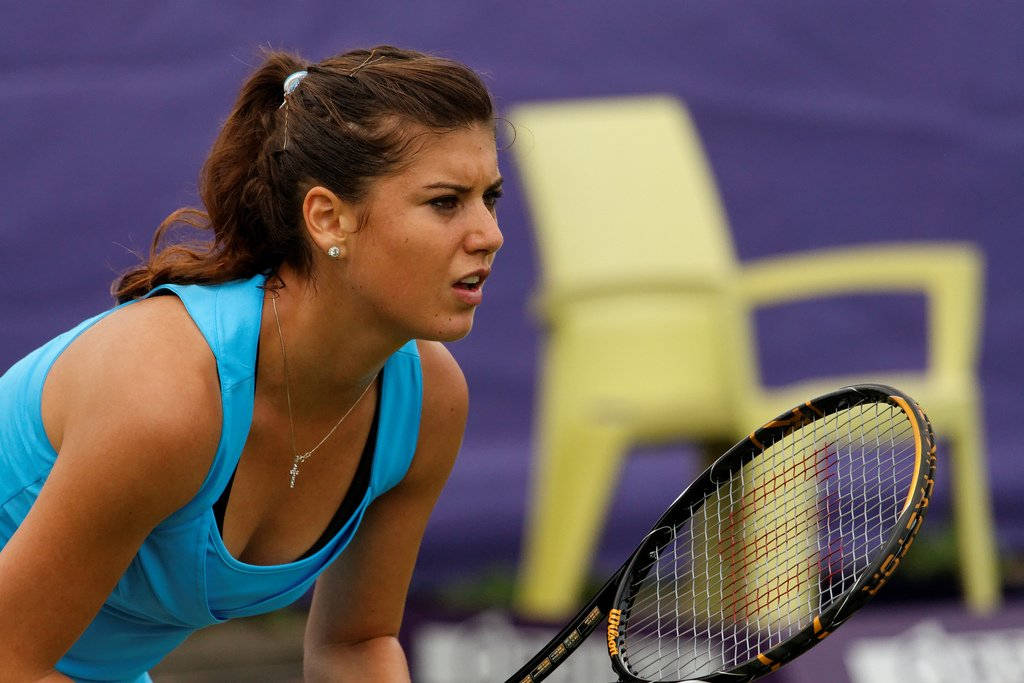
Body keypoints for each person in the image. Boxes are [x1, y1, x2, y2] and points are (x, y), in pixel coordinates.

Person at [0, 45, 503, 682]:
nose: (489, 233)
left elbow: (357, 644)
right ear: (328, 218)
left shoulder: (428, 401)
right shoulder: (166, 401)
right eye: (444, 201)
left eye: (490, 197)